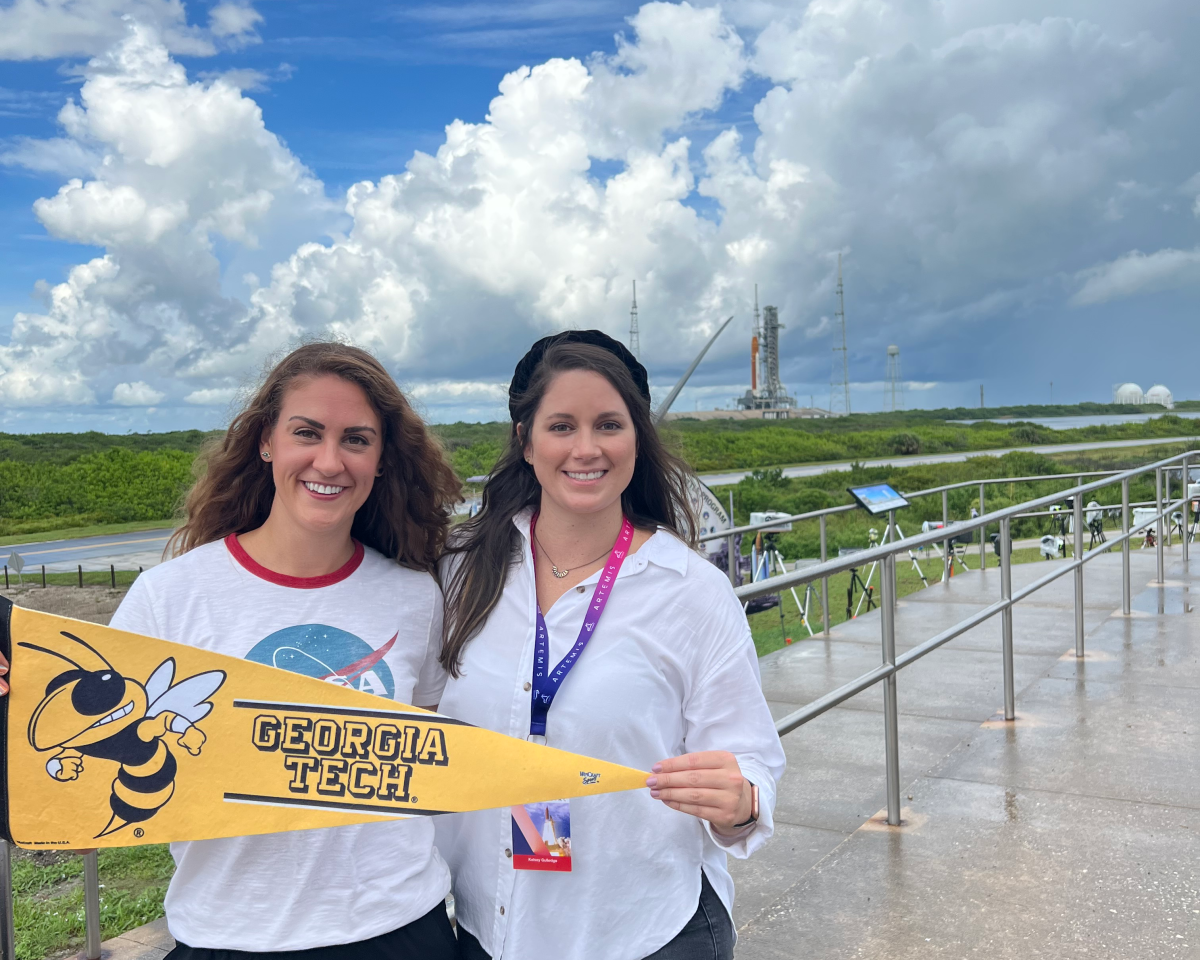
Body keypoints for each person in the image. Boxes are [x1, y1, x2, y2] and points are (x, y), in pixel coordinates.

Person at [101, 342, 460, 958]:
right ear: (267, 440)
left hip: (398, 926)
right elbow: (97, 751)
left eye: (356, 440)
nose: (330, 461)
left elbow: (429, 755)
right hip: (226, 931)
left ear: (381, 460)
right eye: (307, 433)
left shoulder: (415, 596)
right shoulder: (169, 597)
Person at [436, 331, 785, 960]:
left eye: (608, 425)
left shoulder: (690, 590)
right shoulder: (461, 569)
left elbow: (751, 759)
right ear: (526, 441)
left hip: (643, 929)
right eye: (561, 426)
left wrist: (740, 802)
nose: (586, 449)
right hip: (488, 930)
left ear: (637, 438)